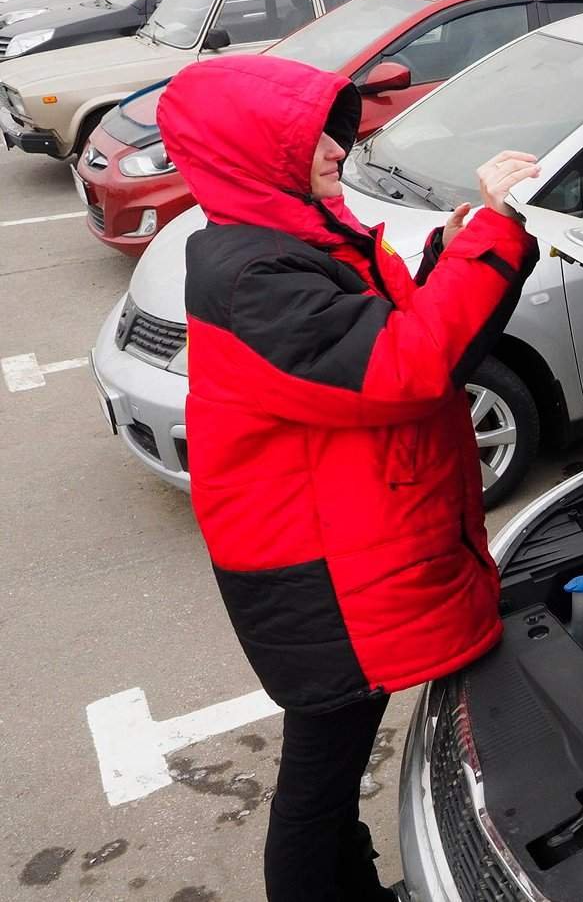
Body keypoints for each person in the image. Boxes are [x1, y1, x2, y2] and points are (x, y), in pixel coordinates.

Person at [157, 54, 540, 902]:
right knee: (318, 780)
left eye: (337, 129)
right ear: (256, 155)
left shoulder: (284, 242)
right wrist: (492, 233)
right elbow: (405, 367)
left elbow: (389, 331)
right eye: (312, 138)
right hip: (316, 579)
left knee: (327, 774)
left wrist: (455, 238)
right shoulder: (256, 275)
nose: (338, 148)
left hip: (322, 556)